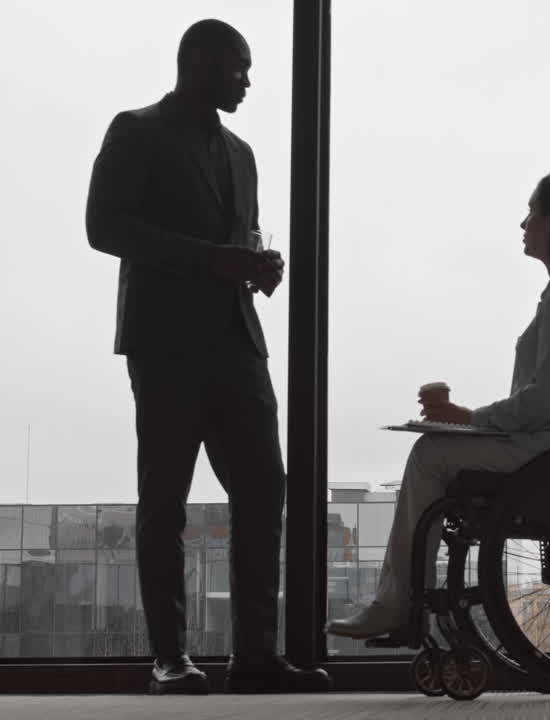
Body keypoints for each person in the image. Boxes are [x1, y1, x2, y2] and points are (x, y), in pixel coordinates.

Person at [86, 19, 330, 694]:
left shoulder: (242, 154)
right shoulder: (135, 130)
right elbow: (103, 226)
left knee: (263, 491)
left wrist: (257, 264)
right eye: (238, 68)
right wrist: (212, 259)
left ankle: (255, 655)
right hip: (164, 342)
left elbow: (235, 237)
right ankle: (170, 658)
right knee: (164, 500)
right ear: (198, 63)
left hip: (236, 341)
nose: (248, 81)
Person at [326, 171, 550, 639]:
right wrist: (473, 423)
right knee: (438, 447)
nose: (524, 223)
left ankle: (398, 603)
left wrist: (470, 419)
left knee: (431, 453)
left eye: (533, 211)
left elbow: (546, 401)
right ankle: (403, 601)